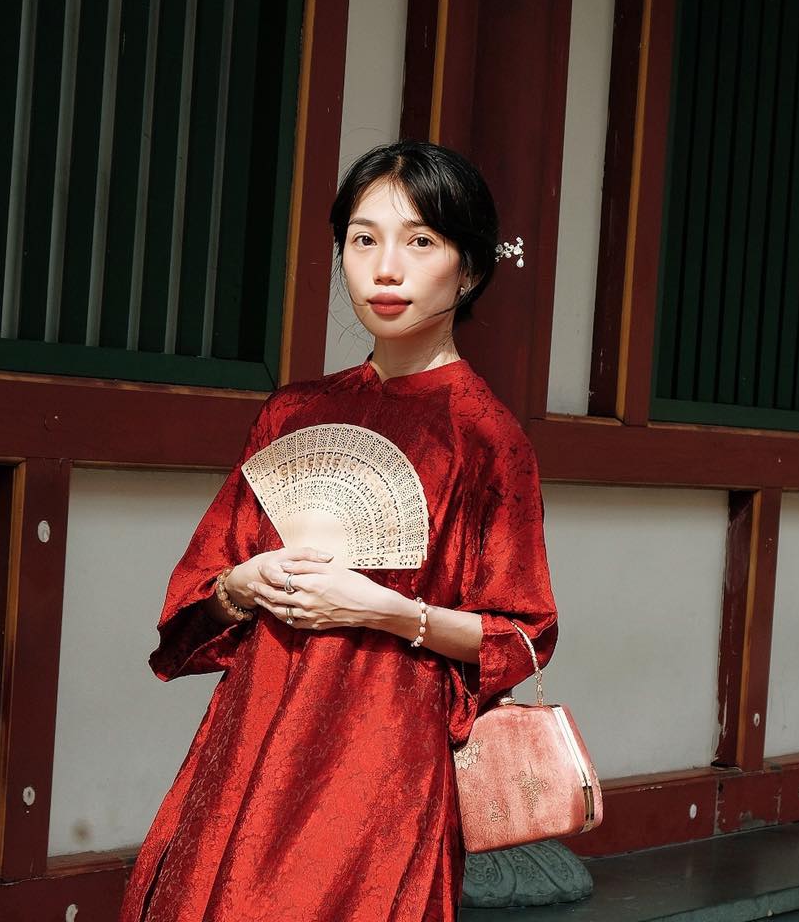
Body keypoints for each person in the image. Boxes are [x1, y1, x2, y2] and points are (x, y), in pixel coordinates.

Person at [118, 140, 559, 922]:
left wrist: (381, 609)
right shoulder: (291, 413)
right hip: (254, 727)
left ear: (471, 267)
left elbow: (522, 636)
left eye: (420, 241)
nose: (386, 268)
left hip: (381, 751)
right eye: (364, 239)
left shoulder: (487, 438)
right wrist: (241, 584)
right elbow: (199, 599)